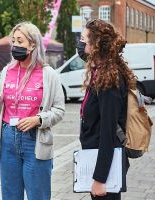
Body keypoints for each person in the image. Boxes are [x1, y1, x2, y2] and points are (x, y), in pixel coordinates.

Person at [0, 22, 65, 200]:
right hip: (8, 139)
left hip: (34, 139)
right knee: (10, 195)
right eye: (13, 41)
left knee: (38, 195)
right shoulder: (7, 71)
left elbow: (59, 110)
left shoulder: (48, 74)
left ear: (33, 44)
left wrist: (38, 119)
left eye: (20, 41)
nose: (15, 45)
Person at [77, 19, 136, 200]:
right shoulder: (101, 71)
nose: (80, 42)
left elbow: (108, 132)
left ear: (95, 44)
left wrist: (99, 178)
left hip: (105, 165)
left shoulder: (108, 79)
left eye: (84, 38)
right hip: (96, 157)